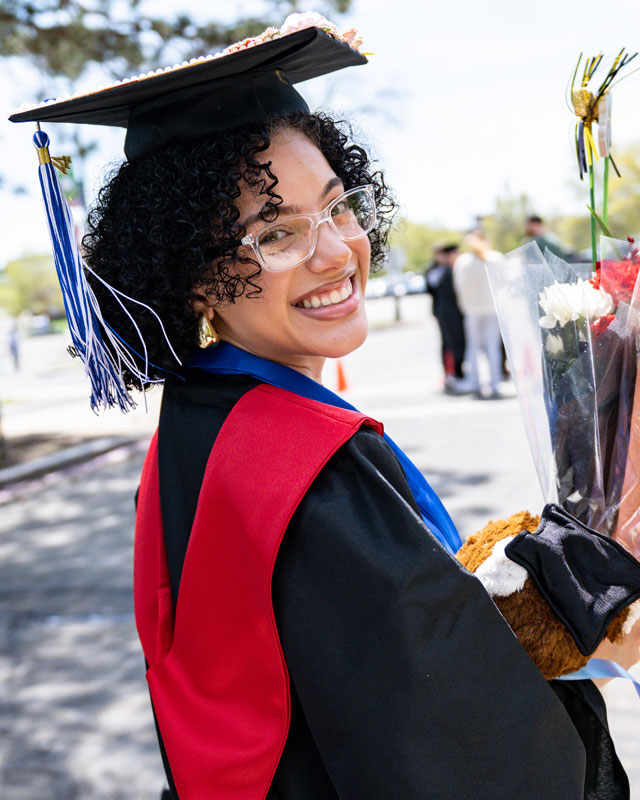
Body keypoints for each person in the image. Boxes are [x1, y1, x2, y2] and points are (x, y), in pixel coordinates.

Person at [11, 14, 640, 800]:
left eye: (337, 207)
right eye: (276, 233)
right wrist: (597, 608)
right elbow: (462, 743)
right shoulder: (306, 474)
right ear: (194, 277)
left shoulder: (208, 420)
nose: (337, 251)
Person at [453, 229, 504, 399]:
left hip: (474, 310)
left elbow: (458, 287)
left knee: (474, 347)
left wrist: (465, 306)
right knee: (492, 347)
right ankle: (495, 383)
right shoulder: (495, 258)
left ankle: (475, 381)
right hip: (490, 309)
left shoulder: (464, 262)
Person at [424, 243, 466, 393]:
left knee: (458, 343)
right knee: (449, 344)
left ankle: (458, 372)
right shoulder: (436, 271)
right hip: (445, 314)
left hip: (456, 312)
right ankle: (450, 373)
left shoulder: (453, 269)